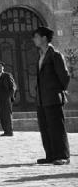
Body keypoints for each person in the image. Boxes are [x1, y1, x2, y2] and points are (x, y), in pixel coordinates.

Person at [33, 26, 71, 165]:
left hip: (53, 97)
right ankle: (50, 155)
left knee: (57, 128)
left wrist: (57, 91)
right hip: (42, 99)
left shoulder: (55, 55)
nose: (34, 40)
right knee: (45, 127)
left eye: (36, 37)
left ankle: (63, 155)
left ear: (44, 38)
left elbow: (65, 77)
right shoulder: (41, 56)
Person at [0, 61, 17, 137]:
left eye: (0, 66)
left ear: (3, 67)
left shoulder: (7, 75)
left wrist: (9, 97)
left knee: (7, 115)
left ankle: (9, 131)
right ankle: (5, 131)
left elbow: (13, 87)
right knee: (1, 115)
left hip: (6, 98)